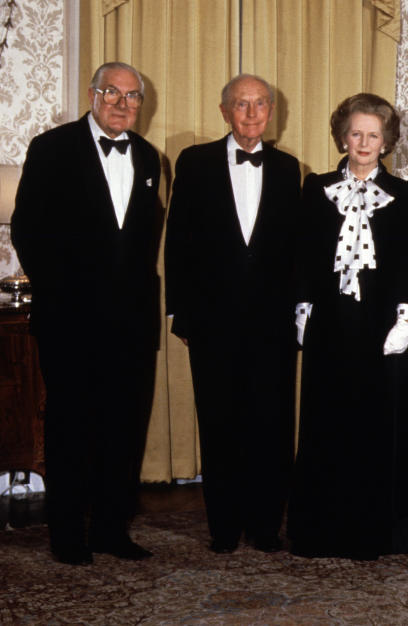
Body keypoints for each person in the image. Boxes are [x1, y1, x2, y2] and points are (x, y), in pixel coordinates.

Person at [11, 62, 161, 565]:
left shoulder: (148, 157)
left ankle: (112, 530)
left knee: (123, 426)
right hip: (70, 319)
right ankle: (68, 534)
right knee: (72, 426)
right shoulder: (52, 148)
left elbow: (141, 243)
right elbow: (28, 230)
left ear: (142, 103)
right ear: (93, 94)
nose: (122, 104)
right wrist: (66, 294)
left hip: (131, 323)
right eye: (112, 93)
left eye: (132, 96)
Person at [164, 74, 301, 554]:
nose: (250, 113)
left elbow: (295, 252)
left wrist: (299, 314)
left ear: (271, 112)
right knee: (220, 423)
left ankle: (266, 525)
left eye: (260, 104)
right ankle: (223, 527)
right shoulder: (195, 162)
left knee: (271, 424)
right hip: (212, 320)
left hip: (273, 324)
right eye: (240, 104)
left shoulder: (289, 169)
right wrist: (180, 313)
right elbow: (177, 238)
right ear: (224, 111)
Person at [286, 93, 408, 560]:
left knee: (378, 424)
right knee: (328, 422)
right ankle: (321, 532)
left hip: (382, 323)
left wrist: (406, 317)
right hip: (328, 321)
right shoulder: (316, 187)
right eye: (356, 134)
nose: (364, 142)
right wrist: (302, 308)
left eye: (373, 135)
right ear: (343, 138)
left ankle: (376, 534)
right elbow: (302, 253)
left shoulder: (406, 194)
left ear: (386, 142)